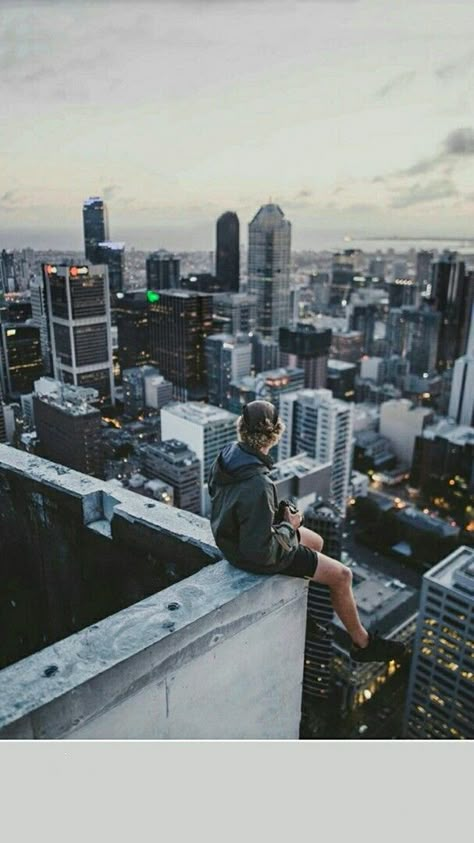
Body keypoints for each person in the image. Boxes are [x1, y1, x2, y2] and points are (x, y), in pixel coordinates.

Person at [208, 399, 407, 663]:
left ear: (241, 429)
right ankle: (362, 642)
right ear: (276, 433)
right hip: (249, 554)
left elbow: (231, 501)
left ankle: (302, 608)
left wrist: (277, 517)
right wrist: (288, 527)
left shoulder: (229, 456)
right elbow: (261, 552)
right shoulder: (258, 483)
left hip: (230, 537)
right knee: (342, 576)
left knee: (316, 541)